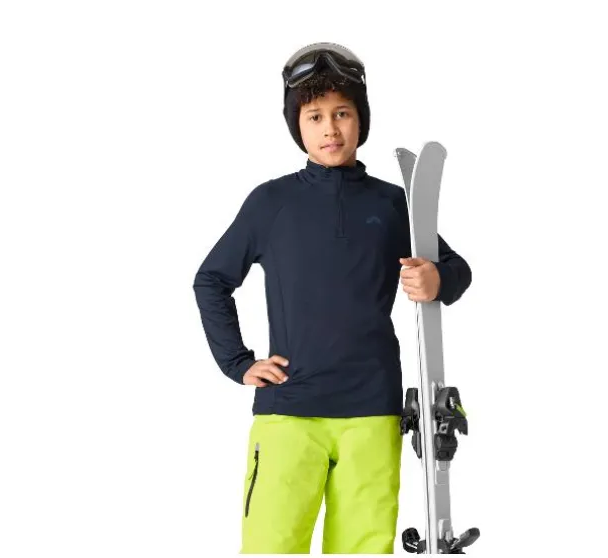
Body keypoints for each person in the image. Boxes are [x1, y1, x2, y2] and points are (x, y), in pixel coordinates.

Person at [192, 42, 472, 554]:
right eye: (315, 116)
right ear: (297, 126)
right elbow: (211, 280)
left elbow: (457, 270)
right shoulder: (271, 202)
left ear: (361, 119)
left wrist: (436, 279)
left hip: (373, 412)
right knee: (271, 546)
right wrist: (238, 363)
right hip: (288, 411)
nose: (331, 129)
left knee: (363, 548)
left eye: (342, 113)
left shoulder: (392, 204)